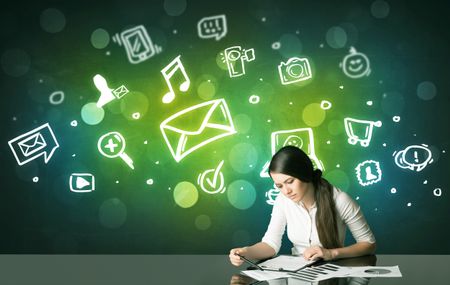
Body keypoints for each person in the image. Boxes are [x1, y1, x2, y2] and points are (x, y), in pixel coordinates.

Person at [229, 146, 376, 266]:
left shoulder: (340, 200)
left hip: (332, 273)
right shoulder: (282, 200)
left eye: (290, 181)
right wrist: (245, 252)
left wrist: (331, 253)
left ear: (304, 174)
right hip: (298, 275)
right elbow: (270, 244)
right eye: (279, 186)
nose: (286, 191)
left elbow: (368, 244)